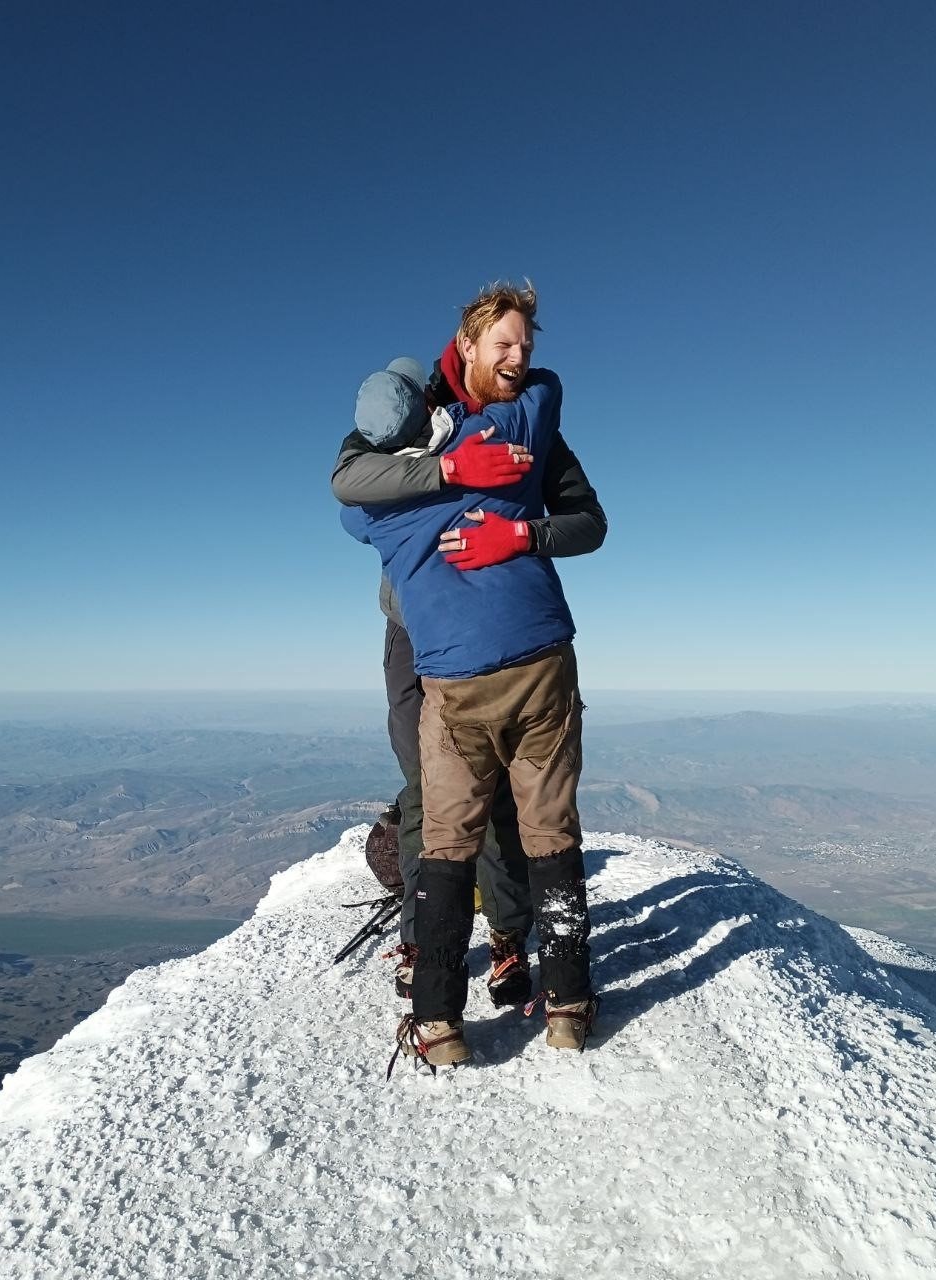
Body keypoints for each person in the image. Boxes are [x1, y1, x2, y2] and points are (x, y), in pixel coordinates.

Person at [337, 282, 601, 1066]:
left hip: (454, 669)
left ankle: (439, 1018)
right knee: (547, 828)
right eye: (504, 344)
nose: (519, 359)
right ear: (464, 347)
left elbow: (349, 494)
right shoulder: (517, 427)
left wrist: (520, 534)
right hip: (522, 653)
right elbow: (546, 390)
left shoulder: (380, 505)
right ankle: (568, 1004)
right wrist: (455, 469)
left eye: (525, 346)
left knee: (452, 838)